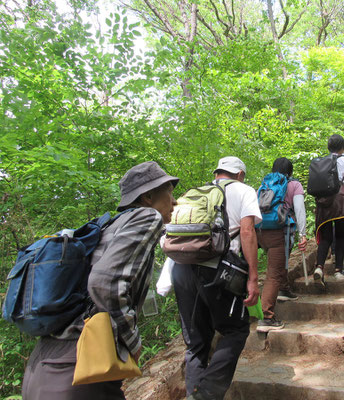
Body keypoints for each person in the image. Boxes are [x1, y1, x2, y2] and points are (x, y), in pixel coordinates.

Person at [22, 161, 179, 400]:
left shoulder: (110, 224)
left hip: (46, 363)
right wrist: (132, 342)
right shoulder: (147, 216)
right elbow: (104, 283)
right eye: (169, 192)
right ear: (147, 197)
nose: (175, 201)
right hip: (81, 367)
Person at [171, 156, 261, 400]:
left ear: (217, 172)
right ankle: (206, 395)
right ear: (240, 174)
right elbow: (246, 231)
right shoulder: (244, 191)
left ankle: (194, 394)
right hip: (218, 271)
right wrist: (253, 277)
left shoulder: (197, 192)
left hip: (181, 268)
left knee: (197, 342)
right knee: (235, 330)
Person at [256, 157, 307, 333]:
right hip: (280, 231)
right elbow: (299, 210)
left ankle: (284, 289)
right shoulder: (294, 185)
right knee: (273, 275)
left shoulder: (265, 183)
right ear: (290, 171)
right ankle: (266, 317)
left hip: (261, 231)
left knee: (277, 264)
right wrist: (303, 233)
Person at [313, 134, 344, 282]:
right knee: (340, 235)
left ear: (328, 147)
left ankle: (319, 267)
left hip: (323, 202)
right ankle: (338, 271)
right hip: (339, 200)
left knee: (326, 236)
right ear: (342, 147)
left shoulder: (322, 161)